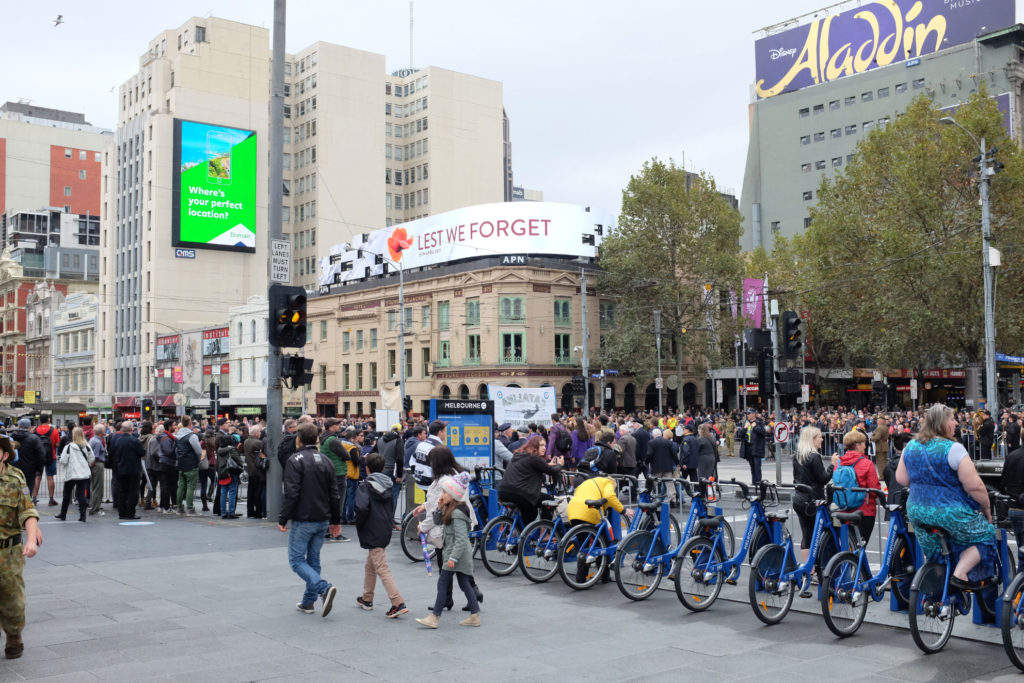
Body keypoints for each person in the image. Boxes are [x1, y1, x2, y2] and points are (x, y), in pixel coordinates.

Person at [897, 404, 996, 586]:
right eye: (952, 419)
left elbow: (902, 479)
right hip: (949, 511)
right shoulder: (953, 448)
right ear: (942, 423)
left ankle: (937, 594)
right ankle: (960, 573)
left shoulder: (910, 446)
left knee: (937, 552)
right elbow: (975, 486)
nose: (956, 423)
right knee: (987, 535)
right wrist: (986, 507)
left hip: (918, 511)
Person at [279, 422, 341, 617]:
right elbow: (334, 494)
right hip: (322, 517)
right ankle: (308, 602)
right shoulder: (326, 460)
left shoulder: (295, 460)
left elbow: (292, 493)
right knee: (313, 560)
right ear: (316, 439)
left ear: (298, 439)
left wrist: (283, 517)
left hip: (303, 518)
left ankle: (323, 588)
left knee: (296, 560)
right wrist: (336, 520)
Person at [416, 473, 480, 628]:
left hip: (455, 555)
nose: (442, 495)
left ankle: (434, 617)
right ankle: (475, 615)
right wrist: (438, 508)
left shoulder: (457, 514)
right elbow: (438, 522)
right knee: (464, 584)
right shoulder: (450, 509)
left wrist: (453, 558)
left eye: (445, 492)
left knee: (443, 583)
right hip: (456, 555)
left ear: (453, 495)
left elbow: (461, 539)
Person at [0, 435, 41, 659]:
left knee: (12, 601)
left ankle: (14, 635)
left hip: (8, 552)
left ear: (5, 455)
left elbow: (27, 511)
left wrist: (32, 538)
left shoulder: (15, 479)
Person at [354, 452, 407, 618]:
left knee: (381, 567)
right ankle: (367, 598)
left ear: (367, 468)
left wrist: (359, 523)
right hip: (384, 526)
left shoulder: (365, 485)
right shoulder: (389, 484)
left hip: (371, 527)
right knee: (371, 564)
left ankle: (397, 602)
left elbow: (361, 508)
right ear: (384, 468)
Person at [497, 434, 562, 526]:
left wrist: (548, 465)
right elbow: (551, 471)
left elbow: (541, 467)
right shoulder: (534, 457)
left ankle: (517, 533)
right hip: (519, 493)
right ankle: (545, 534)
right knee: (549, 501)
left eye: (545, 445)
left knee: (530, 511)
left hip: (504, 491)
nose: (544, 448)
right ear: (534, 446)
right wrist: (560, 464)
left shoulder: (520, 455)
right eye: (541, 445)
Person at [792, 426, 831, 564]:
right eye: (819, 436)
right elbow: (823, 478)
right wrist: (832, 465)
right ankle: (818, 565)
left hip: (799, 498)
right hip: (813, 499)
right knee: (820, 533)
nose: (821, 439)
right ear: (812, 439)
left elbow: (796, 477)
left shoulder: (798, 455)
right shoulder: (814, 457)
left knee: (806, 534)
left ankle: (808, 568)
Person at [55, 428, 94, 522]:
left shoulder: (68, 447)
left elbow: (63, 461)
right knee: (81, 495)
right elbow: (92, 458)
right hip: (83, 474)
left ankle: (63, 514)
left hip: (71, 474)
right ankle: (83, 516)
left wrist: (62, 460)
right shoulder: (87, 446)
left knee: (66, 495)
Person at [110, 421, 145, 520]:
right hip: (133, 469)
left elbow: (113, 453)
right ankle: (130, 513)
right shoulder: (134, 440)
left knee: (122, 491)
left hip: (120, 469)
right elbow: (142, 452)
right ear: (131, 429)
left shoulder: (116, 440)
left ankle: (122, 513)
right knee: (133, 492)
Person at [9, 420, 44, 508]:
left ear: (19, 427)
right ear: (29, 428)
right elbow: (41, 455)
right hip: (29, 470)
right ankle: (25, 506)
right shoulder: (34, 438)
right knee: (26, 488)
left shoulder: (11, 438)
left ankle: (14, 506)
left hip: (13, 469)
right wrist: (39, 469)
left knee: (13, 488)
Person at [174, 416, 202, 515]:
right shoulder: (192, 436)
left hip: (181, 463)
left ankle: (179, 508)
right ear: (190, 424)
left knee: (181, 486)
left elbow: (176, 450)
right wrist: (198, 461)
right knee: (190, 486)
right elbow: (198, 451)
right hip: (191, 463)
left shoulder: (177, 435)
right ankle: (190, 508)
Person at [1002, 438, 1024, 565]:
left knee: (1021, 554)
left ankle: (1019, 583)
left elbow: (1004, 482)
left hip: (1014, 508)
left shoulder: (1011, 456)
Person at [32, 415, 60, 507]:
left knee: (37, 477)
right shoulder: (54, 430)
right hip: (50, 457)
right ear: (48, 420)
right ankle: (51, 499)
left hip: (38, 457)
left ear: (40, 420)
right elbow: (57, 444)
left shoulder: (34, 430)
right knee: (50, 477)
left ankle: (34, 498)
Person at [216, 433, 242, 519]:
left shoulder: (219, 450)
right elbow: (238, 461)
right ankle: (231, 512)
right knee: (232, 492)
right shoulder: (232, 450)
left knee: (223, 493)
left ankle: (223, 512)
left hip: (222, 473)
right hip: (231, 472)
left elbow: (217, 463)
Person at [244, 426, 267, 520]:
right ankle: (258, 512)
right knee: (258, 492)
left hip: (250, 469)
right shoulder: (257, 443)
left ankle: (250, 511)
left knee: (251, 492)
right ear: (256, 433)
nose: (261, 433)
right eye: (260, 431)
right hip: (257, 470)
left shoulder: (246, 441)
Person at [740, 410, 767, 485]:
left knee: (757, 467)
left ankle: (758, 483)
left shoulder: (759, 422)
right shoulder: (746, 422)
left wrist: (755, 427)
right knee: (752, 467)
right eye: (747, 414)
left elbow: (763, 433)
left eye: (748, 413)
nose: (747, 415)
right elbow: (740, 435)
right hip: (748, 447)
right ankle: (754, 482)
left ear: (753, 414)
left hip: (757, 448)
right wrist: (745, 428)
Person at [87, 424, 108, 516]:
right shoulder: (97, 442)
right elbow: (95, 457)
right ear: (101, 432)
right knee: (97, 487)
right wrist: (92, 465)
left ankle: (94, 506)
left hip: (95, 464)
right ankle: (95, 508)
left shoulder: (93, 440)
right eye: (104, 429)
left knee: (94, 486)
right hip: (97, 464)